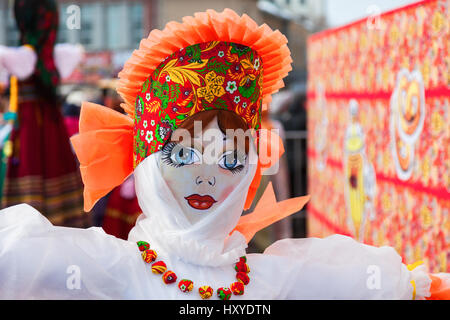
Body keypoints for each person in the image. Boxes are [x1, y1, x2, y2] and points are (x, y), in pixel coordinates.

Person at [0, 9, 448, 300]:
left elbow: (343, 282)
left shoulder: (269, 281)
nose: (206, 178)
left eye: (231, 159)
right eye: (180, 155)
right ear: (146, 163)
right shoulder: (110, 272)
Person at [0, 0, 89, 227]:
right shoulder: (56, 56)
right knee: (56, 164)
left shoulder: (18, 56)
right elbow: (77, 52)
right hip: (52, 124)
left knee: (31, 168)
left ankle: (29, 224)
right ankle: (63, 220)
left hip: (29, 126)